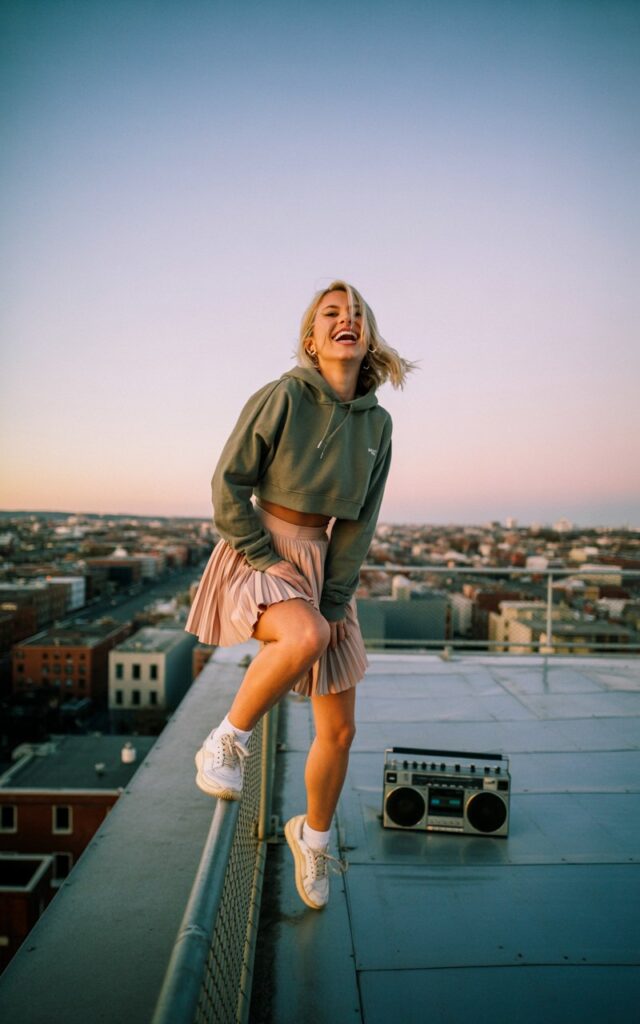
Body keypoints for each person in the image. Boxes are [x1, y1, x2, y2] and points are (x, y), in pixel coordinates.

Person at [185, 279, 413, 910]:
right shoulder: (283, 395)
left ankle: (312, 839)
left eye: (355, 313)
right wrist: (265, 557)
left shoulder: (379, 424)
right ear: (312, 339)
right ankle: (225, 739)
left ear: (367, 336)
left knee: (339, 730)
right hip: (259, 548)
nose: (345, 319)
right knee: (304, 634)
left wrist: (335, 600)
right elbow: (227, 484)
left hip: (323, 563)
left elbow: (360, 523)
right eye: (330, 313)